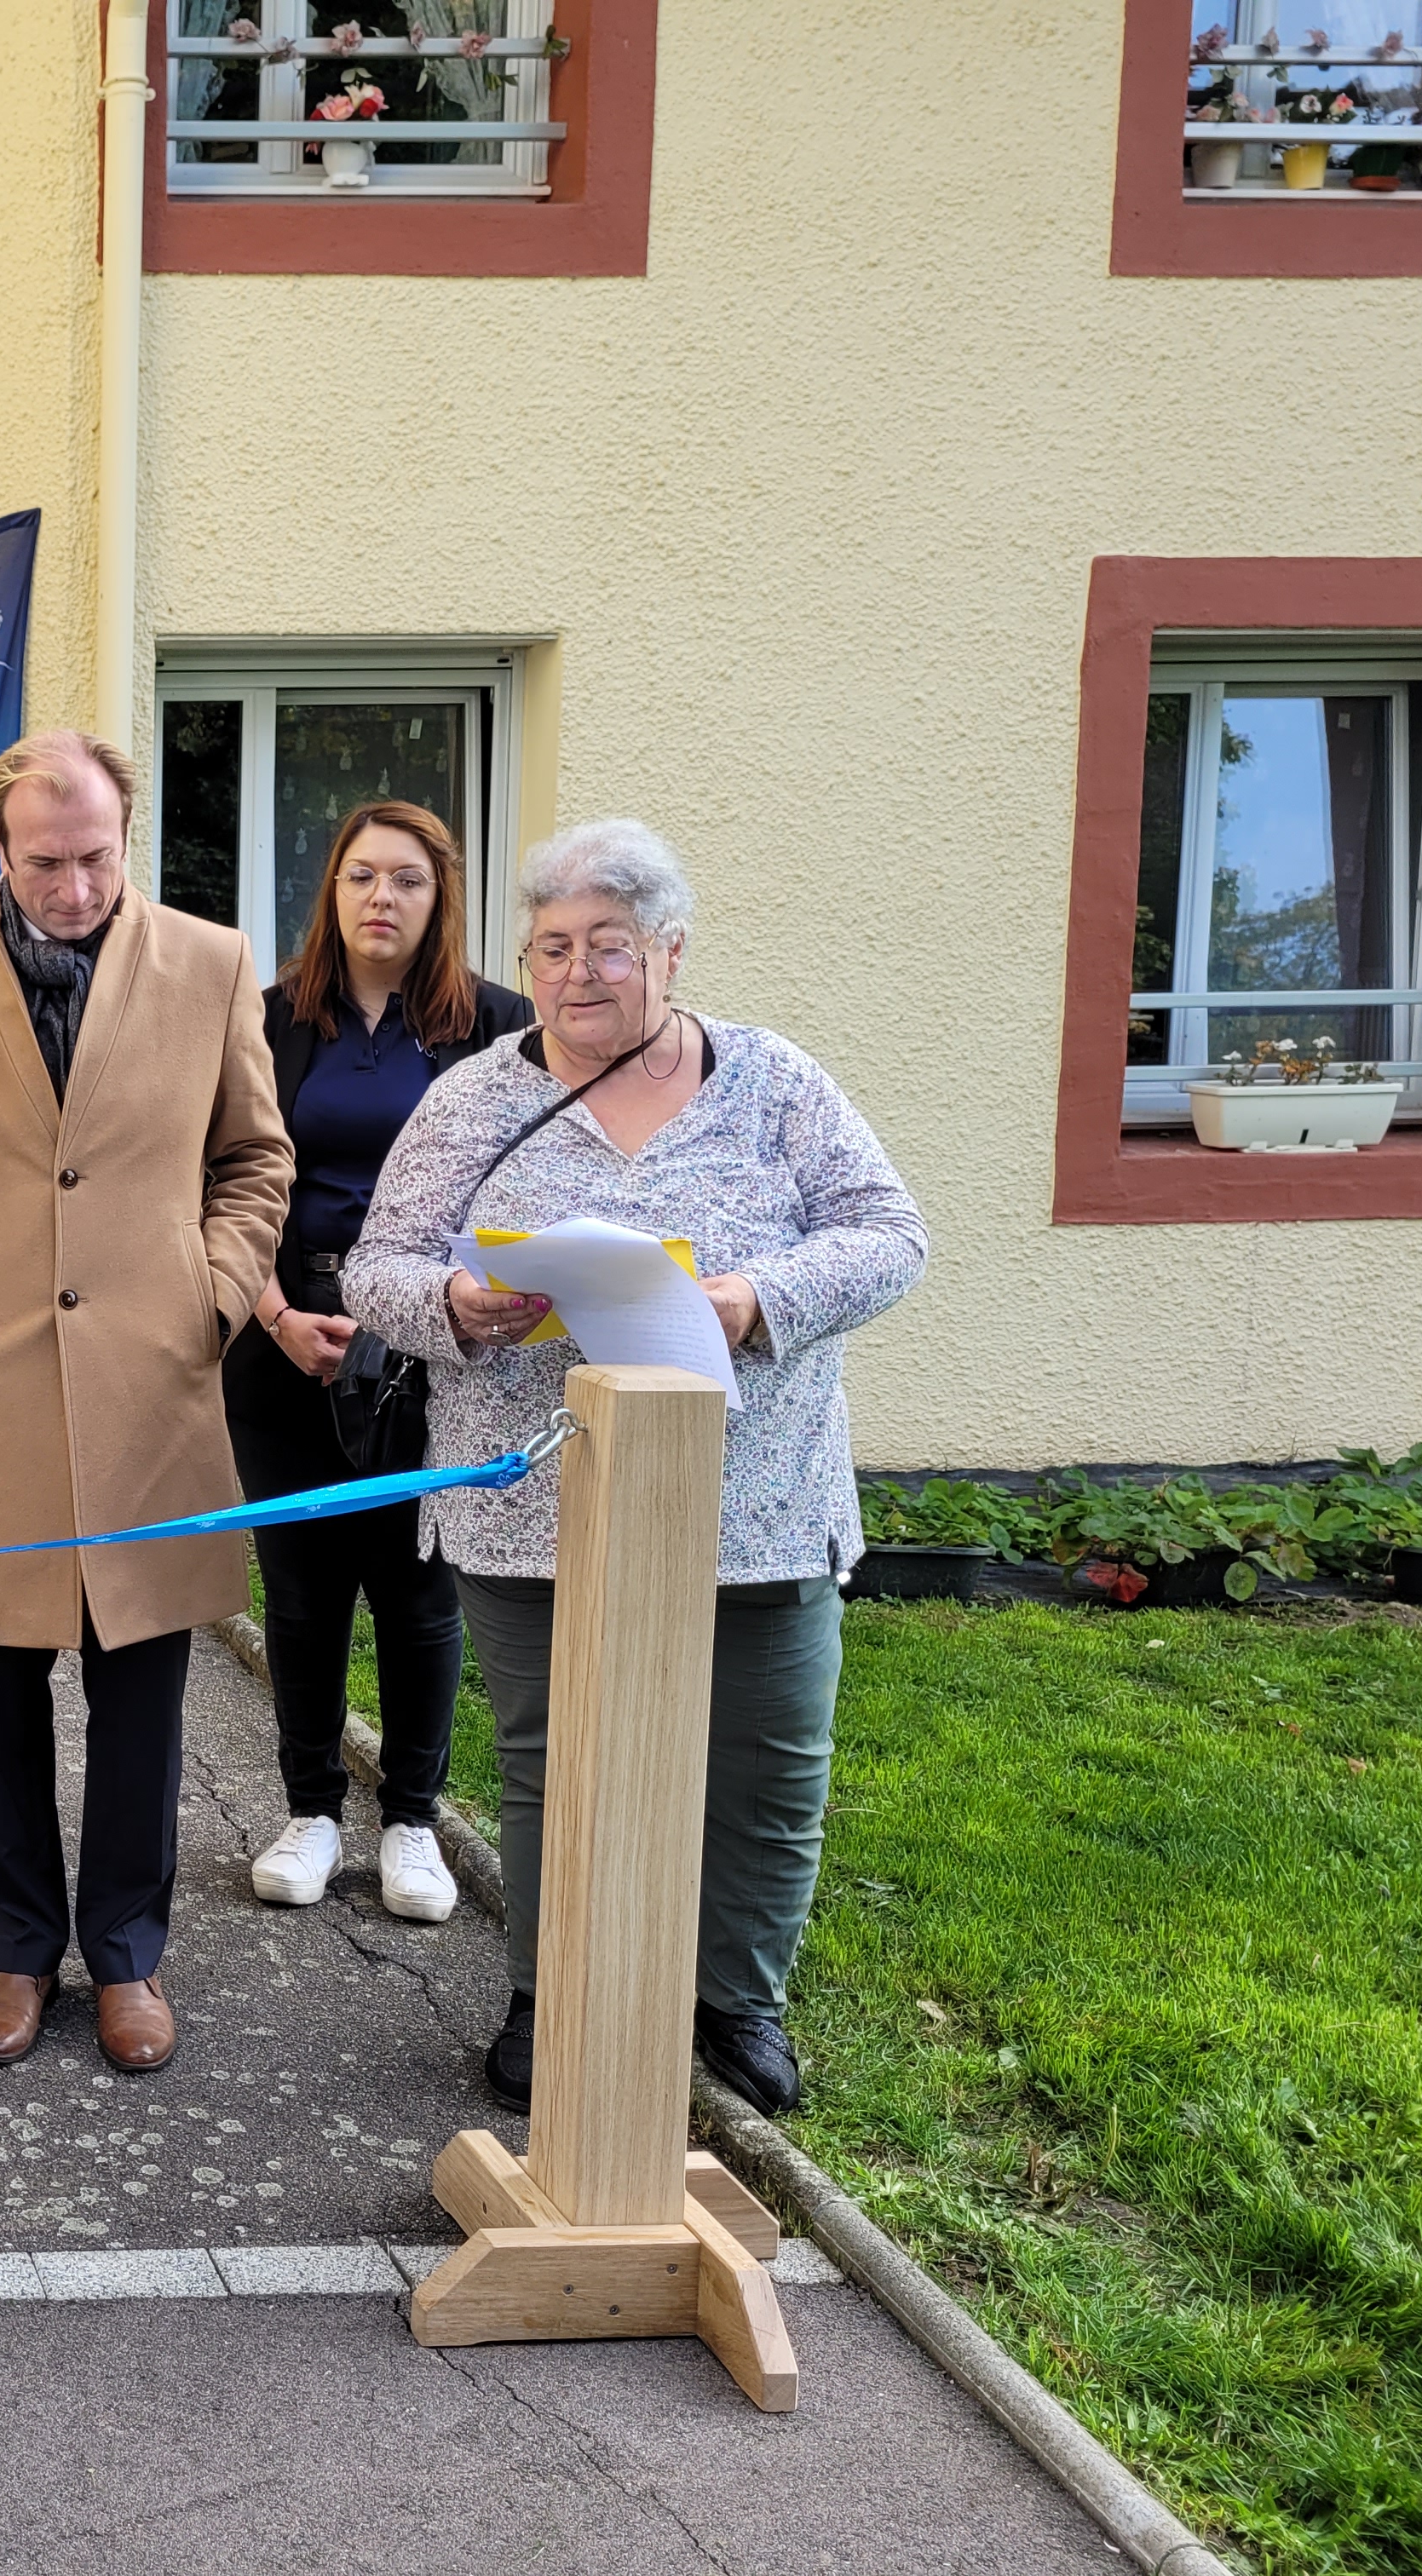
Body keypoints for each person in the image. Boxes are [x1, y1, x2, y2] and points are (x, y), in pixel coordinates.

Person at [346, 818, 926, 2118]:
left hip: (754, 1500)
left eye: (610, 945)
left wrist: (751, 1298)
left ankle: (737, 2000)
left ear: (671, 952)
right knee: (555, 1758)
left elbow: (891, 1236)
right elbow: (374, 1267)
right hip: (535, 1501)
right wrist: (451, 1297)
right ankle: (551, 1995)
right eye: (553, 947)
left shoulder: (773, 1083)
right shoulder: (477, 1096)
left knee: (767, 1758)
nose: (578, 973)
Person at [0, 731, 291, 2077]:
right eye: (45, 860)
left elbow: (254, 1157)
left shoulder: (210, 966)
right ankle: (18, 1950)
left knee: (144, 1692)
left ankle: (130, 1957)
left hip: (154, 1392)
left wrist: (213, 1298)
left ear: (127, 836)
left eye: (97, 855)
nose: (75, 884)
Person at [222, 801, 532, 1928]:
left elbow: (521, 1189)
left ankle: (411, 1821)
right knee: (300, 1595)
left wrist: (430, 1311)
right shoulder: (265, 1020)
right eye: (361, 876)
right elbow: (216, 1179)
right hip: (284, 1341)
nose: (381, 898)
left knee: (415, 1597)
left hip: (433, 1354)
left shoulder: (500, 1029)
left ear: (440, 894)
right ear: (332, 891)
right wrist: (274, 1314)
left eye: (407, 879)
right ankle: (310, 1811)